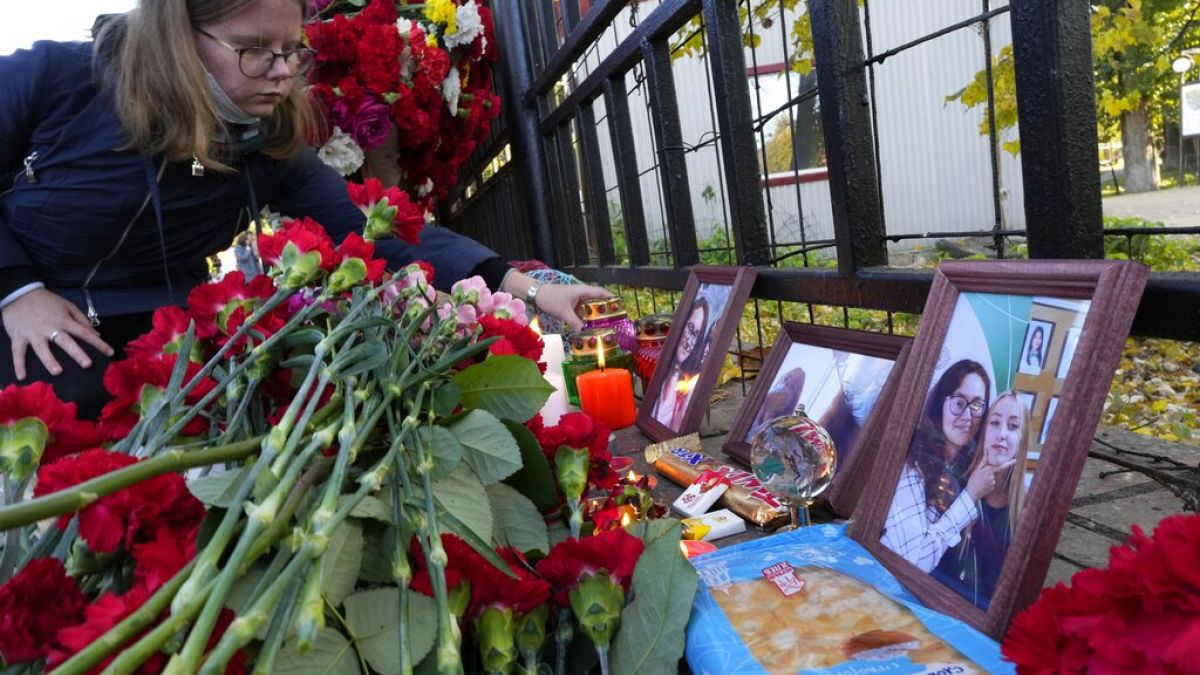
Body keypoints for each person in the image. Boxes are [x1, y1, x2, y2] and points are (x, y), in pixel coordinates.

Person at [0, 0, 608, 419]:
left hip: (161, 334)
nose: (283, 73)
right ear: (177, 40)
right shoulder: (58, 79)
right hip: (24, 312)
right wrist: (16, 289)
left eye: (292, 50)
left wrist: (525, 288)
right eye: (255, 51)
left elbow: (383, 232)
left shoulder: (264, 146)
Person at [880, 359, 1001, 572]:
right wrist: (970, 497)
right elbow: (912, 562)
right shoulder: (914, 464)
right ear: (940, 405)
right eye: (958, 403)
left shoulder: (968, 469)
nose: (967, 417)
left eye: (976, 405)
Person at [933, 391, 1028, 609]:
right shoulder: (952, 484)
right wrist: (971, 494)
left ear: (1022, 441)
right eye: (994, 423)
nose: (1001, 434)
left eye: (1013, 427)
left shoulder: (1027, 510)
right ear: (984, 431)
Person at [651, 297, 710, 431]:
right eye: (690, 328)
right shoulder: (658, 369)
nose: (689, 340)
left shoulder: (688, 384)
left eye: (695, 334)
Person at [746, 366, 806, 441]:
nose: (786, 384)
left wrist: (770, 413)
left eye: (791, 386)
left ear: (792, 401)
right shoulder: (758, 398)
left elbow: (755, 443)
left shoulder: (781, 427)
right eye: (788, 376)